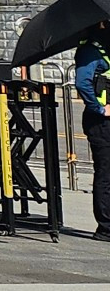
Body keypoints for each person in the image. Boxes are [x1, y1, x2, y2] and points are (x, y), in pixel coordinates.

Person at [76, 24, 110, 240]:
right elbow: (82, 82)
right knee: (106, 173)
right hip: (101, 122)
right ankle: (106, 226)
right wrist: (99, 108)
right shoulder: (92, 50)